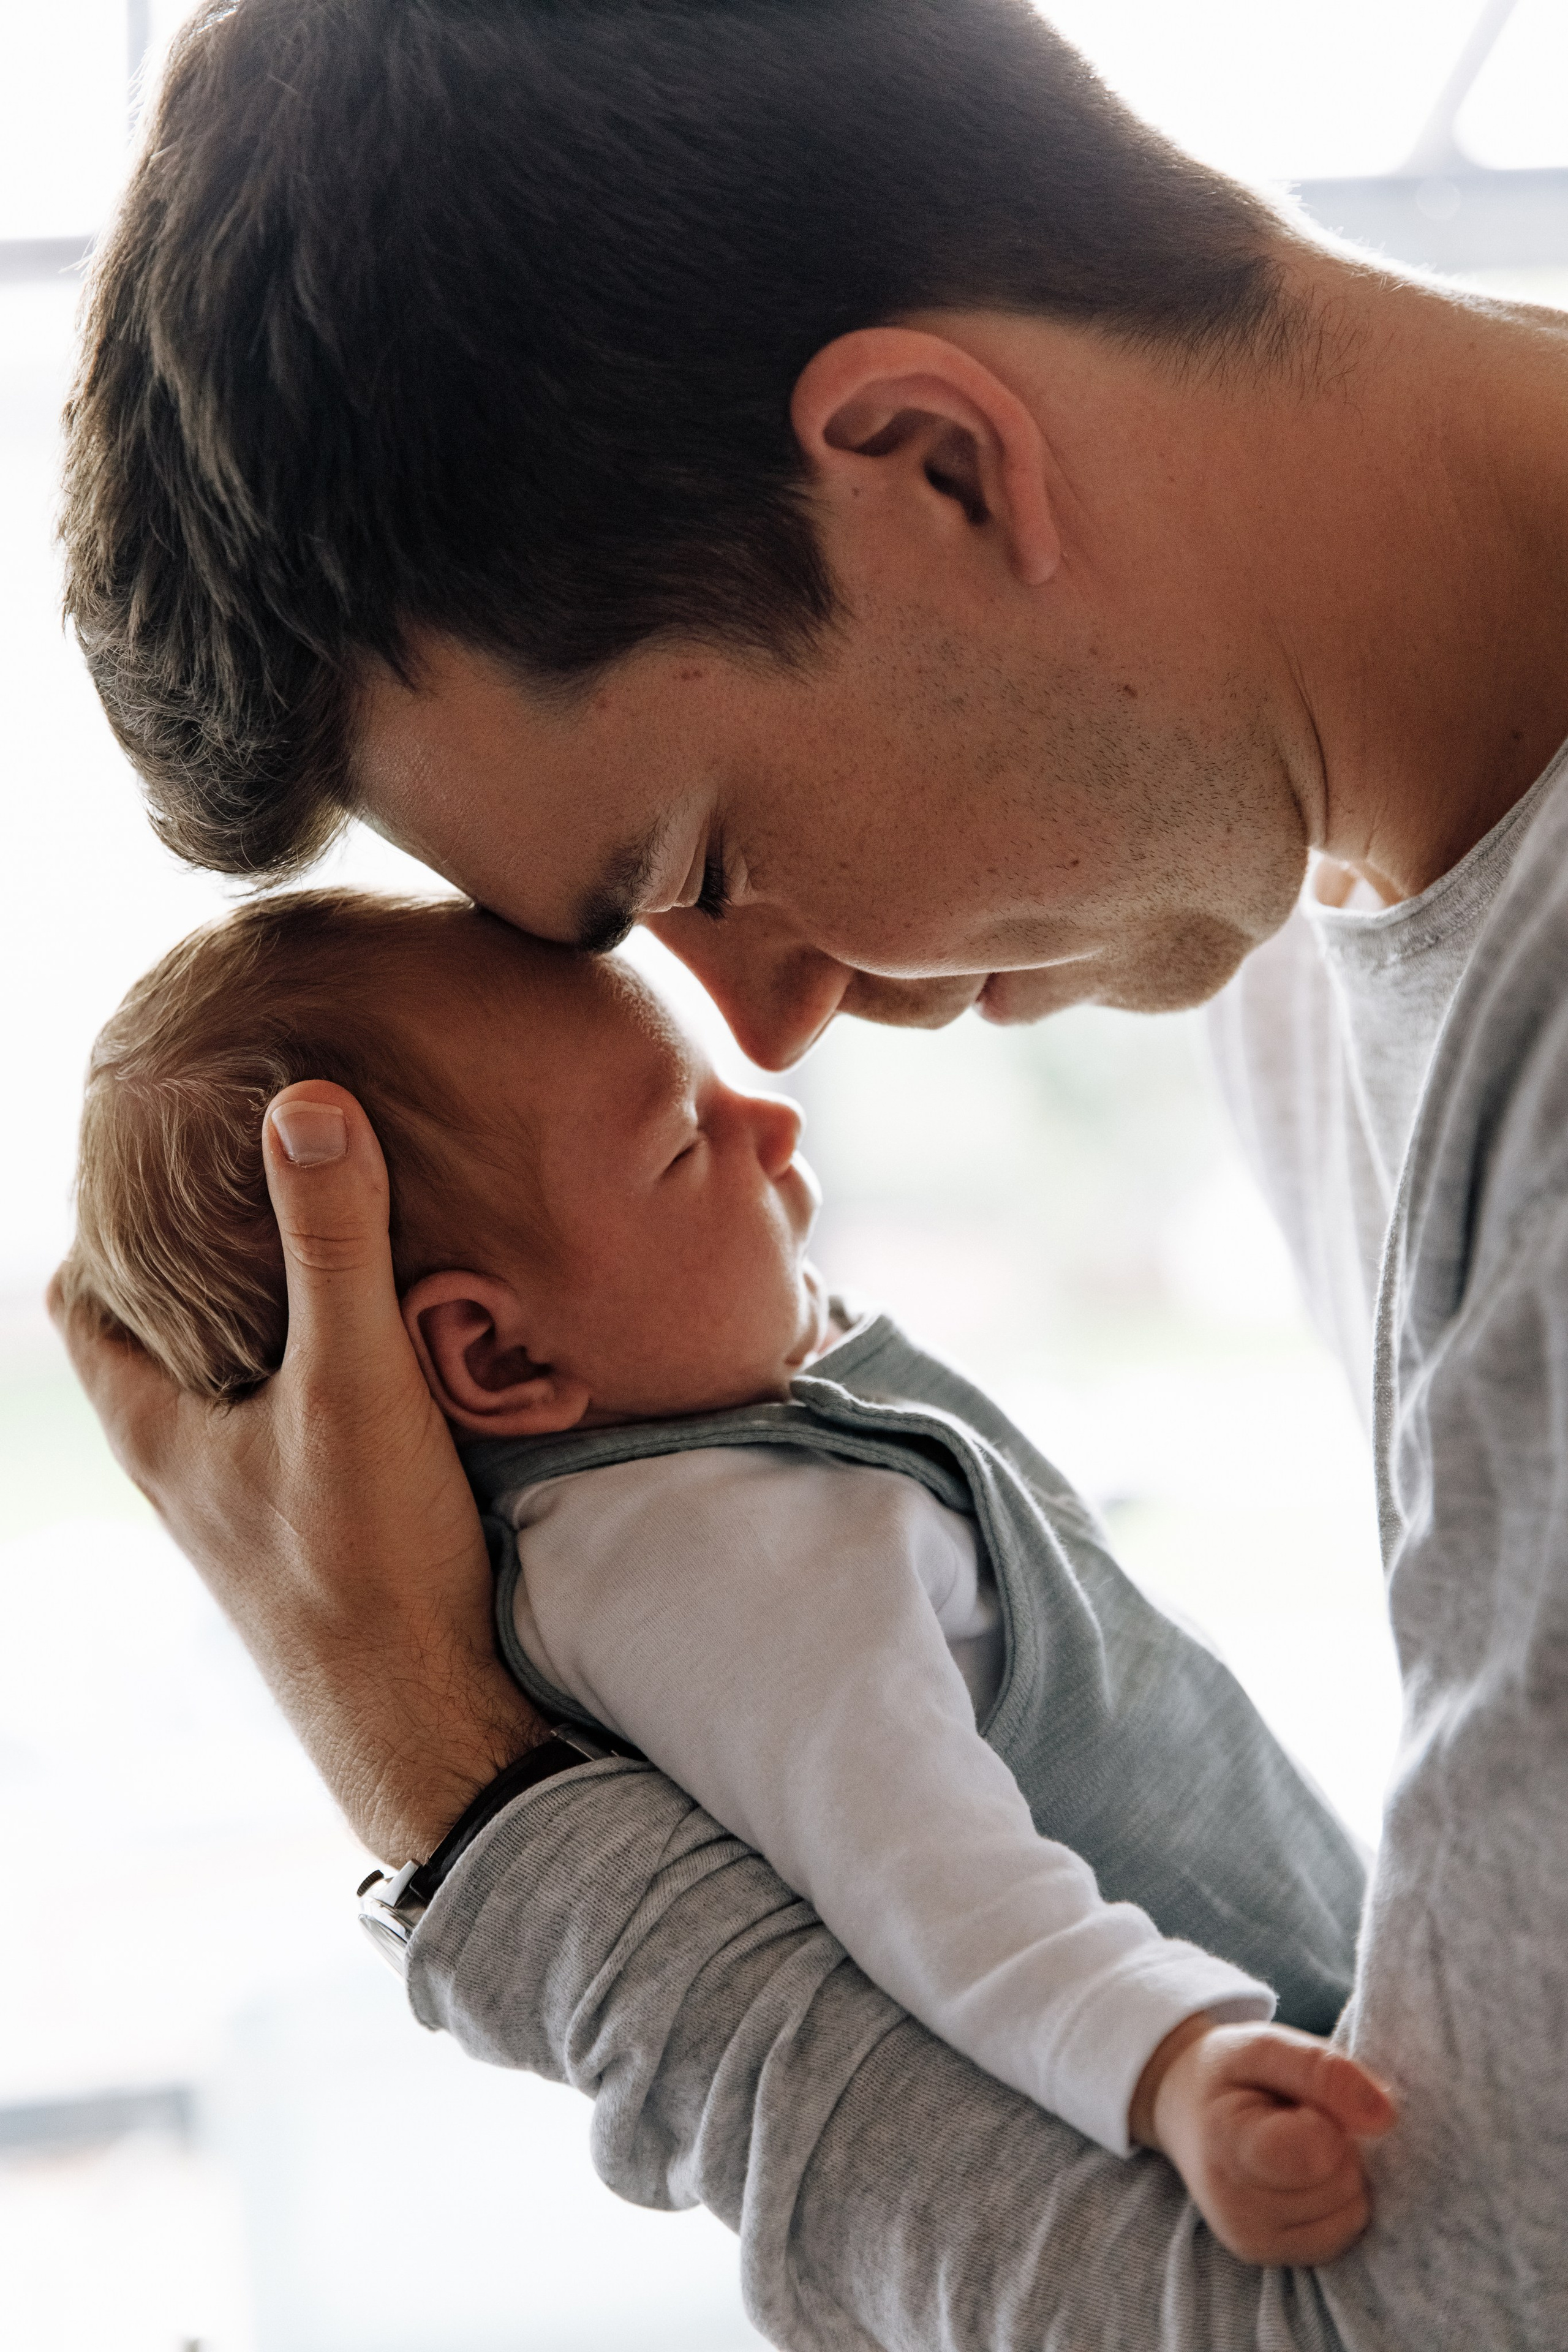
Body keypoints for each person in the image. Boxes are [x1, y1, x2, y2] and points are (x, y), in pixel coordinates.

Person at [53, 0, 1568, 2342]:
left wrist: (462, 1798)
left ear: (935, 464)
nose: (757, 1027)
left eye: (711, 854)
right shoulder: (1310, 917)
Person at [63, 884, 1382, 2264]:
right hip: (1242, 2063)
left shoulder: (676, 1454)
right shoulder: (700, 1569)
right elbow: (923, 1867)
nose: (773, 1120)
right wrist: (1169, 2060)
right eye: (686, 1141)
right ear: (499, 1359)